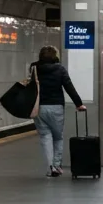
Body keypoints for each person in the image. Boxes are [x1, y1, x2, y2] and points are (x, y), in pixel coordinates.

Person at [32, 45, 85, 177]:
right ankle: (57, 166)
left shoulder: (34, 68)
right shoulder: (60, 69)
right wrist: (79, 104)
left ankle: (50, 167)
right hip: (56, 107)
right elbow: (69, 86)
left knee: (45, 136)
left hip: (38, 107)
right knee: (58, 137)